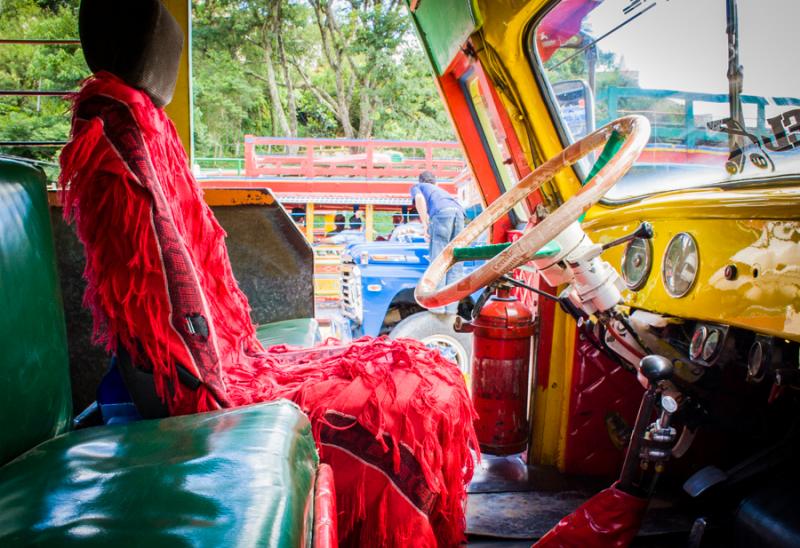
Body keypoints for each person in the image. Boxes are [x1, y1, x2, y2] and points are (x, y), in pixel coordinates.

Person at [410, 171, 466, 314]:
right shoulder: (441, 191)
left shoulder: (418, 186)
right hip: (459, 214)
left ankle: (438, 307)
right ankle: (451, 308)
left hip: (441, 214)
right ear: (436, 183)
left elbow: (419, 198)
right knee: (455, 260)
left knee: (439, 261)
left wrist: (425, 224)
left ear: (421, 181)